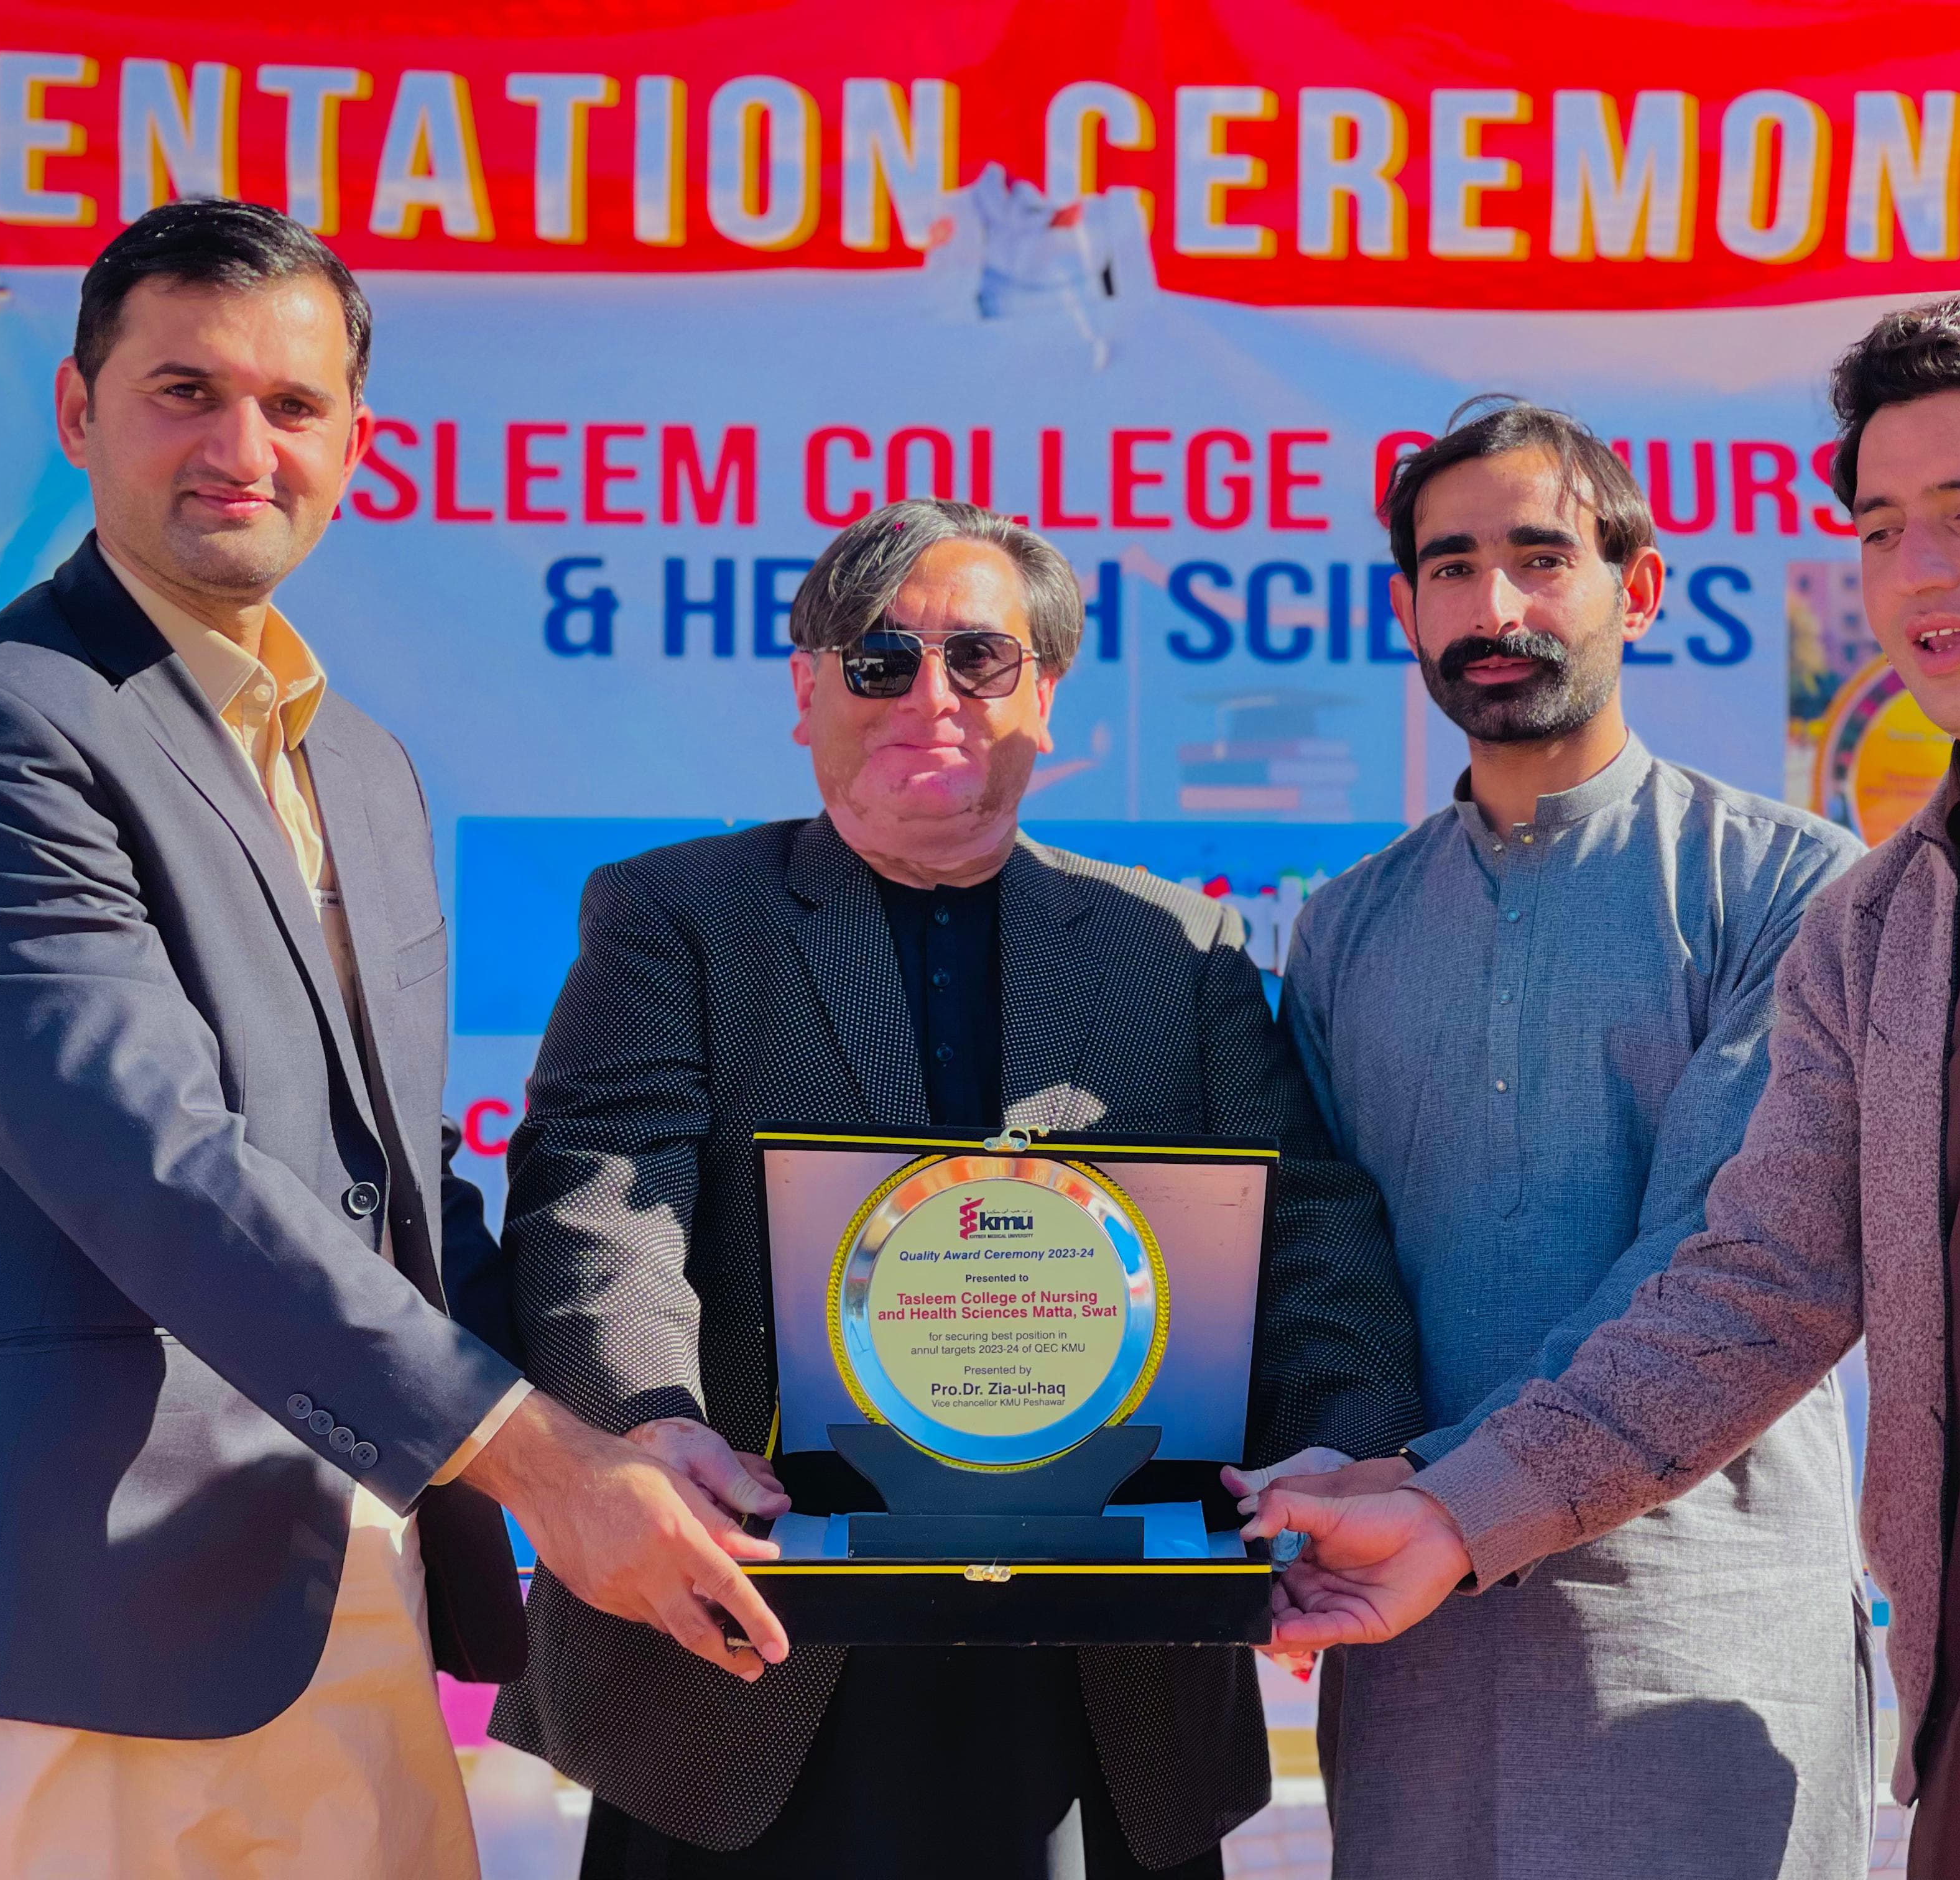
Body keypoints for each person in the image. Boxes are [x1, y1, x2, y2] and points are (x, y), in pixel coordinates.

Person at [1251, 297, 1960, 1877]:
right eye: (1880, 529)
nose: (1921, 572)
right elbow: (1756, 1289)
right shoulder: (1882, 922)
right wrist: (1456, 1516)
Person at [0, 200, 791, 1880]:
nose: (242, 449)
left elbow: (391, 1192)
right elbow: (157, 1167)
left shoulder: (362, 766)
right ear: (80, 412)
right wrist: (542, 1465)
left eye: (293, 405)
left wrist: (624, 1422)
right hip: (79, 1622)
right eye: (184, 391)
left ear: (357, 445)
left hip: (359, 1594)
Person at [488, 496, 1421, 1879]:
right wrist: (646, 1423)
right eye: (881, 660)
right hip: (756, 1633)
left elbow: (1306, 1233)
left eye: (980, 659)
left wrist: (1342, 1446)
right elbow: (604, 1197)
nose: (932, 696)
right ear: (807, 692)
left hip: (1103, 1669)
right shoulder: (676, 914)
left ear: (1045, 697)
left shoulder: (1180, 948)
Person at [1240, 397, 1870, 1879]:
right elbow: (1324, 1267)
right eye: (1450, 569)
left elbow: (1732, 1259)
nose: (1495, 608)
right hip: (1414, 1648)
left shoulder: (1789, 886)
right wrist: (1330, 1462)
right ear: (1406, 610)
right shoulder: (1348, 928)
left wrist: (1445, 1490)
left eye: (1540, 558)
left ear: (1637, 589)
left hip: (1698, 1631)